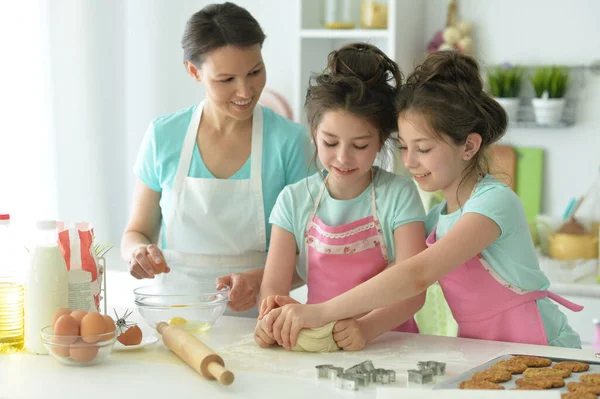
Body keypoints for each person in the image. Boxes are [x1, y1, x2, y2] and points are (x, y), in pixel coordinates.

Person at [261, 51, 583, 349]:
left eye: (423, 149)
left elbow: (416, 276)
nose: (410, 161)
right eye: (404, 147)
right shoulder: (435, 221)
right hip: (480, 352)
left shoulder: (494, 203)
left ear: (469, 147)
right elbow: (390, 279)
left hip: (541, 347)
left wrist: (320, 313)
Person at [121, 2, 310, 316]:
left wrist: (262, 279)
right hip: (175, 317)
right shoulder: (163, 136)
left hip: (261, 319)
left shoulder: (291, 142)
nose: (246, 90)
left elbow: (310, 257)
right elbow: (136, 231)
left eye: (255, 72)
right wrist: (137, 253)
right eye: (226, 80)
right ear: (194, 71)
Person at [254, 43, 427, 351]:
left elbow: (414, 289)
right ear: (314, 133)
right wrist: (272, 321)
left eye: (360, 145)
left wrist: (366, 328)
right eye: (330, 142)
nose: (343, 158)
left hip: (392, 343)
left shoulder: (399, 195)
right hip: (318, 343)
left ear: (381, 140)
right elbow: (273, 287)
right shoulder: (293, 199)